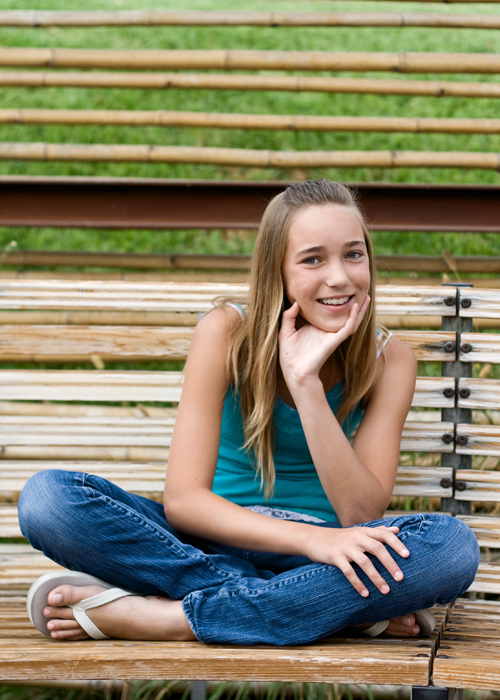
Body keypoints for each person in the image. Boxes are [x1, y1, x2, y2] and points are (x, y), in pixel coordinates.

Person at [18, 179, 479, 646]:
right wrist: (313, 545)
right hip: (212, 541)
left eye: (353, 254)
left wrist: (305, 384)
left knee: (452, 548)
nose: (339, 277)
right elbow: (185, 501)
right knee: (48, 501)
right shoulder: (226, 332)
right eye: (313, 259)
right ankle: (323, 608)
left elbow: (361, 512)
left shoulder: (389, 360)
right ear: (277, 270)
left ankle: (170, 618)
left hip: (325, 556)